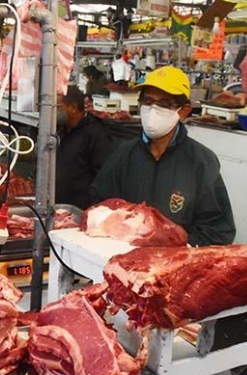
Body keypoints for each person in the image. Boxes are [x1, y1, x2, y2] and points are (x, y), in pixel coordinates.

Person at [91, 66, 236, 246]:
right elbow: (99, 207)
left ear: (183, 111)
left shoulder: (201, 161)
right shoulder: (123, 154)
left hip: (174, 265)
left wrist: (179, 248)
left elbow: (219, 230)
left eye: (164, 104)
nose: (153, 109)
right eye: (148, 101)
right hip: (123, 261)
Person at [56, 86, 117, 210]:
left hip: (81, 210)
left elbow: (104, 177)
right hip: (61, 208)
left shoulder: (95, 134)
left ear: (73, 107)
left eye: (57, 107)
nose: (51, 112)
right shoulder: (62, 129)